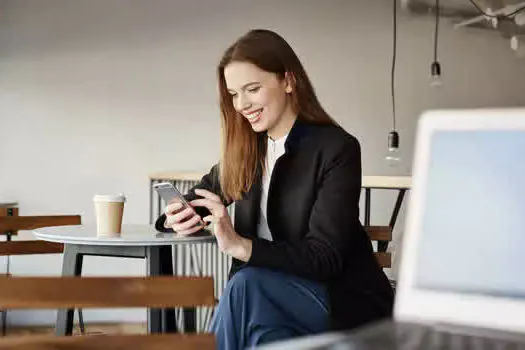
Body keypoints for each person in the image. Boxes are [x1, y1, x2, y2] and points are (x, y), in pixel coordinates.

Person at [155, 29, 394, 349]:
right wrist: (176, 215)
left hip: (339, 302)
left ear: (288, 81)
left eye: (252, 89)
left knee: (244, 286)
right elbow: (199, 197)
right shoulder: (246, 152)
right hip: (265, 301)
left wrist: (242, 247)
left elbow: (325, 258)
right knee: (260, 335)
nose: (242, 104)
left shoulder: (337, 149)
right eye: (234, 94)